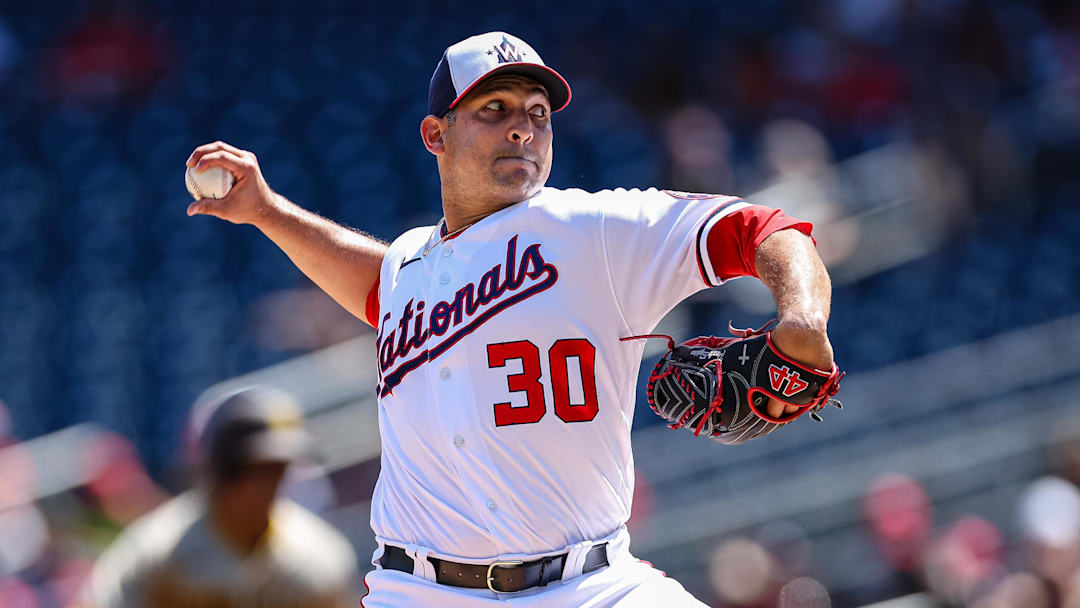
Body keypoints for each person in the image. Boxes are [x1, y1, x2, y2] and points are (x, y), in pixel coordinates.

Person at [184, 31, 836, 607]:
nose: (522, 127)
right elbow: (384, 291)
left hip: (592, 587)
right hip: (419, 592)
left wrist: (802, 320)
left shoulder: (594, 228)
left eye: (537, 113)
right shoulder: (412, 265)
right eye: (493, 110)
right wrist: (268, 212)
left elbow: (762, 228)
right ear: (435, 134)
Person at [79, 386, 360, 607]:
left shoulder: (320, 559)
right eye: (257, 469)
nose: (270, 483)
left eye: (278, 468)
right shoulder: (152, 556)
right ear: (221, 467)